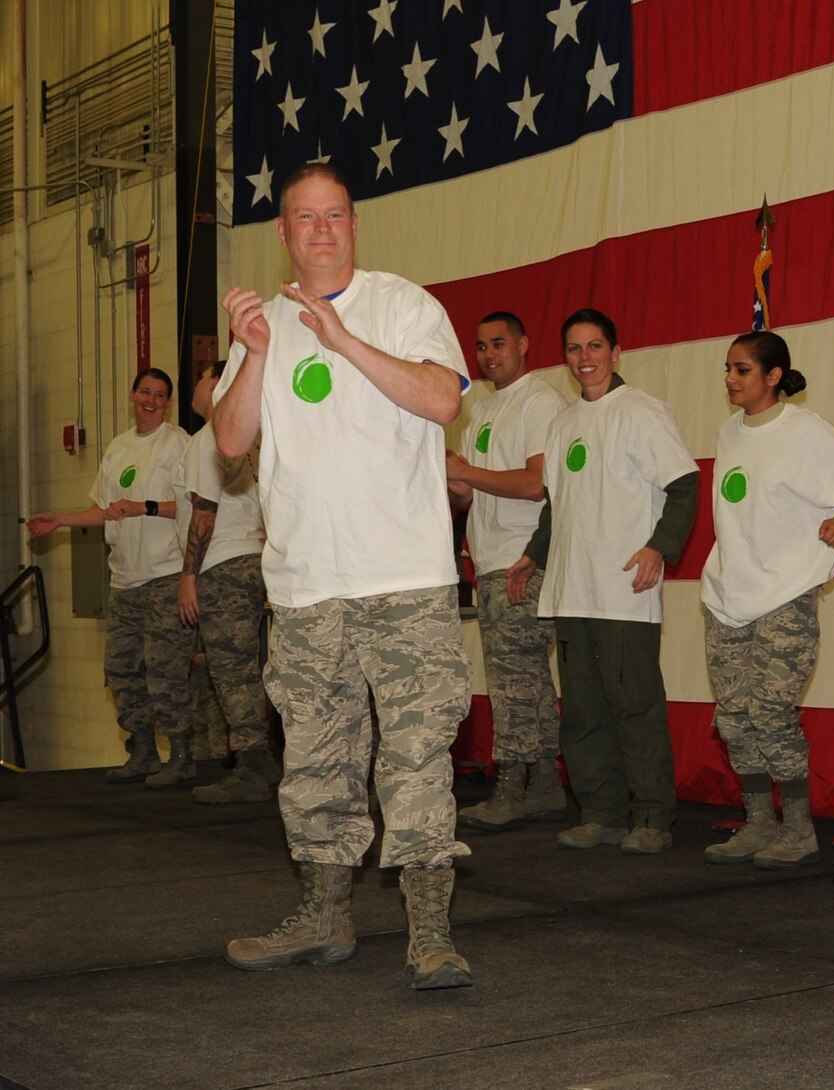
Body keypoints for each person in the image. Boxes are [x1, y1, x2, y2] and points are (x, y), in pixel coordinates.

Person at [212, 163, 476, 990]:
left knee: (415, 758)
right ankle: (325, 915)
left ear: (354, 225)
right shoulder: (263, 324)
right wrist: (255, 354)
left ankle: (430, 932)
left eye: (334, 216)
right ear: (284, 234)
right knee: (317, 763)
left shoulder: (405, 305)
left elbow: (442, 401)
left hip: (403, 579)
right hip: (305, 587)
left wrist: (344, 340)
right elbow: (228, 442)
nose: (321, 230)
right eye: (304, 218)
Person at [507, 308, 699, 856]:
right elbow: (558, 506)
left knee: (634, 705)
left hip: (623, 590)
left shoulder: (641, 411)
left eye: (594, 347)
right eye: (574, 349)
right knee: (585, 710)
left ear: (616, 353)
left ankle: (652, 817)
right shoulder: (563, 423)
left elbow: (684, 484)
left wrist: (659, 547)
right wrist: (531, 555)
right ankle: (601, 812)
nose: (584, 358)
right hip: (572, 590)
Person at [699, 331, 834, 867]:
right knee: (733, 717)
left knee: (770, 712)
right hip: (727, 596)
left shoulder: (803, 431)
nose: (731, 379)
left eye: (743, 370)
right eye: (727, 368)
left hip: (784, 595)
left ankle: (798, 829)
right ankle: (758, 823)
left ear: (774, 376)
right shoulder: (730, 431)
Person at [28, 369, 194, 787]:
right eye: (145, 392)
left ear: (168, 403)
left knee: (164, 668)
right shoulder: (119, 447)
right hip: (125, 580)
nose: (151, 401)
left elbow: (194, 507)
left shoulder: (179, 444)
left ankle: (181, 754)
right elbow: (104, 511)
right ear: (132, 395)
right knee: (119, 667)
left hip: (165, 575)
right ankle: (141, 750)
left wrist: (145, 507)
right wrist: (59, 520)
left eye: (160, 395)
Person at [447, 311, 567, 832]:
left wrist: (464, 471)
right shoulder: (481, 409)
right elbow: (471, 493)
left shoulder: (538, 400)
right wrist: (443, 470)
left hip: (523, 558)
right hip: (493, 557)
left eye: (498, 343)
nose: (488, 354)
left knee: (512, 679)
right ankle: (543, 784)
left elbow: (538, 483)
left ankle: (511, 786)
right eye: (480, 346)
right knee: (528, 679)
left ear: (523, 343)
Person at [178, 359, 279, 804]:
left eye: (203, 376)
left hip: (222, 563)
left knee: (233, 671)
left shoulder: (211, 438)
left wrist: (188, 577)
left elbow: (205, 511)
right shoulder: (254, 435)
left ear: (219, 385)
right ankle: (262, 763)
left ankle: (253, 766)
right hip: (253, 560)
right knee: (247, 666)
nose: (197, 385)